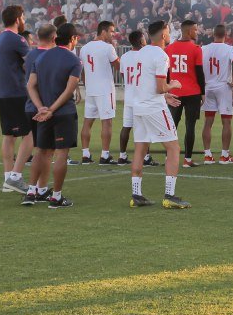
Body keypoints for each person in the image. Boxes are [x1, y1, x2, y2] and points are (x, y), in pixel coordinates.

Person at [128, 20, 190, 209]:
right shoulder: (161, 55)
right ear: (163, 35)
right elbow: (160, 86)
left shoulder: (141, 53)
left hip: (138, 106)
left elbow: (148, 84)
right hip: (153, 108)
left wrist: (165, 95)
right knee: (173, 147)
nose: (170, 34)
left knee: (140, 148)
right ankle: (169, 195)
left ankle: (136, 195)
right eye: (169, 31)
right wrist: (172, 86)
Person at [25, 22, 82, 208]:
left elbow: (30, 85)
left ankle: (31, 191)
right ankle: (56, 197)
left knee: (40, 151)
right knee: (61, 154)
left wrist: (41, 107)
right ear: (73, 39)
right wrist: (51, 109)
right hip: (63, 113)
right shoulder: (73, 60)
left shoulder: (41, 57)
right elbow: (69, 90)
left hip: (44, 113)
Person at [0, 5, 33, 192]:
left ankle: (7, 178)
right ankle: (15, 177)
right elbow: (31, 65)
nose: (24, 20)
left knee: (8, 136)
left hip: (3, 92)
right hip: (17, 92)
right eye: (23, 17)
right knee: (30, 134)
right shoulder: (17, 39)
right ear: (18, 19)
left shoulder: (0, 38)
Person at [20, 24, 56, 203]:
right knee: (45, 151)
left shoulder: (31, 54)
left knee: (43, 150)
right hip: (44, 108)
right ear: (53, 37)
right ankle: (34, 189)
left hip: (30, 106)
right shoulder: (50, 55)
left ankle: (38, 189)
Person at [78, 20, 121, 165]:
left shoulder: (84, 48)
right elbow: (118, 66)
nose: (113, 34)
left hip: (90, 90)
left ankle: (85, 154)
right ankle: (105, 155)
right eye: (111, 31)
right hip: (105, 89)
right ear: (103, 31)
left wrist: (87, 84)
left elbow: (82, 71)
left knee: (87, 121)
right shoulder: (108, 47)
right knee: (107, 122)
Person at [165, 19, 205, 167]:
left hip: (175, 91)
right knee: (190, 126)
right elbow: (200, 73)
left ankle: (169, 157)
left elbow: (167, 72)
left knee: (172, 125)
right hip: (193, 92)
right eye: (195, 29)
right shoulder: (196, 48)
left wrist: (168, 88)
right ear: (188, 31)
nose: (197, 32)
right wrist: (203, 92)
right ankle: (187, 160)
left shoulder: (169, 48)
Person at [117, 29, 157, 168]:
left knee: (126, 127)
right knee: (145, 128)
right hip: (142, 96)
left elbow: (123, 75)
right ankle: (146, 157)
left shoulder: (125, 56)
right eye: (144, 38)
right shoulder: (146, 55)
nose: (146, 39)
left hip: (129, 96)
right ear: (141, 41)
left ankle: (122, 156)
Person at [200, 23, 233, 165]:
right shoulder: (229, 49)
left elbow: (198, 67)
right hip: (223, 87)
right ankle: (224, 155)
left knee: (208, 121)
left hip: (208, 86)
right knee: (226, 121)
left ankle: (207, 155)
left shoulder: (204, 49)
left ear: (213, 34)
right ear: (226, 34)